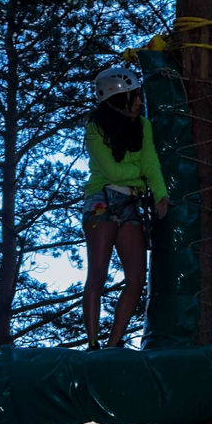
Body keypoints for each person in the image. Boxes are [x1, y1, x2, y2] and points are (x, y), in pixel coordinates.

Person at [82, 66, 170, 350]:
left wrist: (160, 195)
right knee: (98, 272)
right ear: (120, 98)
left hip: (131, 203)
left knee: (136, 277)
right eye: (135, 97)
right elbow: (112, 170)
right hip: (101, 201)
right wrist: (140, 172)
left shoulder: (142, 126)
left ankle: (114, 343)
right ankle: (93, 343)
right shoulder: (94, 127)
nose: (140, 102)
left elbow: (151, 163)